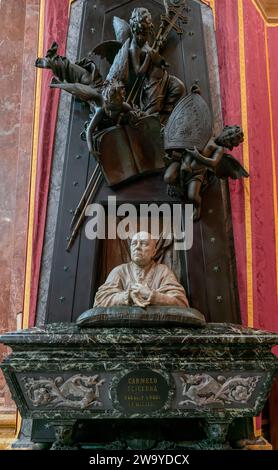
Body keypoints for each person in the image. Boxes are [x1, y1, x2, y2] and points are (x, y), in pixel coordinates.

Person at [93, 231, 189, 308]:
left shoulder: (163, 271)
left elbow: (181, 303)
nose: (137, 247)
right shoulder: (119, 271)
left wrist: (152, 296)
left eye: (143, 244)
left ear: (154, 252)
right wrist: (128, 296)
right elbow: (99, 302)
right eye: (134, 244)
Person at [128, 7, 185, 122]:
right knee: (152, 111)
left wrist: (161, 60)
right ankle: (152, 122)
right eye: (145, 29)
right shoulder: (134, 47)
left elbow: (154, 55)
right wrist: (148, 57)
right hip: (152, 84)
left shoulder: (145, 40)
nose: (145, 35)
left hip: (164, 78)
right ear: (137, 26)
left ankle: (165, 114)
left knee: (179, 87)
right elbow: (139, 71)